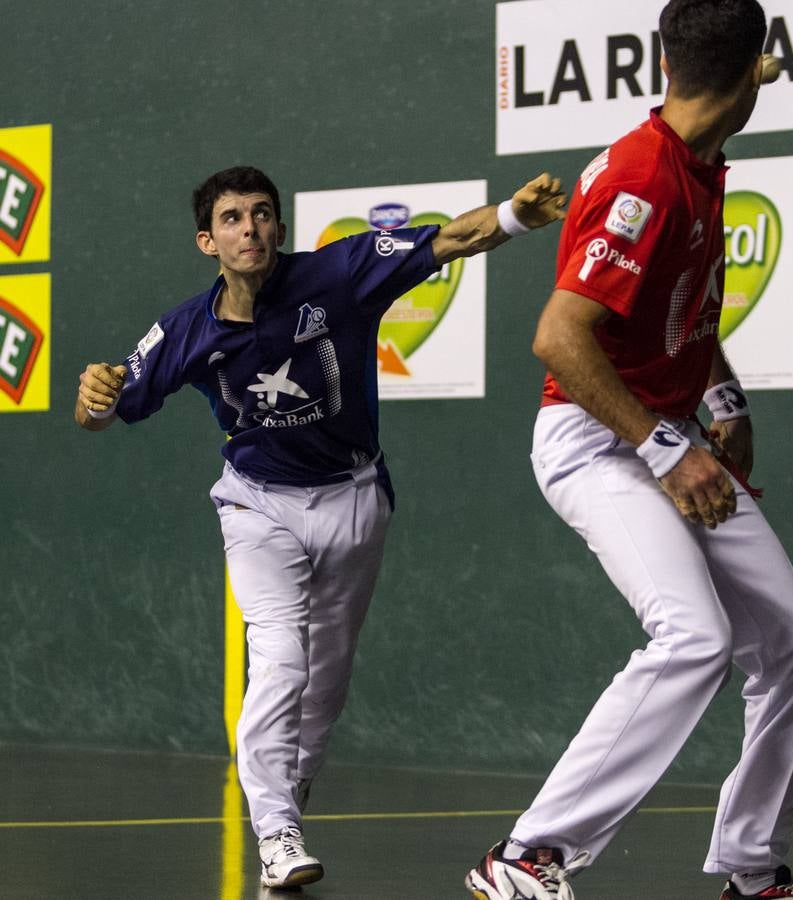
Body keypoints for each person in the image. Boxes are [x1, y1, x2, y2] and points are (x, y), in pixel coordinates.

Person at [74, 165, 566, 889]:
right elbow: (105, 408)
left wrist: (516, 216)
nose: (251, 229)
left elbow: (452, 239)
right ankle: (274, 831)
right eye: (234, 219)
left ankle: (289, 801)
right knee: (279, 660)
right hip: (258, 506)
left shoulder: (340, 274)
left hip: (355, 499)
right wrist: (95, 398)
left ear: (279, 226)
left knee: (325, 686)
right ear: (208, 240)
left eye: (263, 214)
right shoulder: (186, 329)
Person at [464, 2, 793, 899]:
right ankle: (527, 855)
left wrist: (720, 399)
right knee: (695, 636)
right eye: (765, 66)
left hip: (664, 433)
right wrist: (671, 449)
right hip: (596, 441)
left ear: (666, 63)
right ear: (753, 71)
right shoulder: (644, 179)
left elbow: (679, 315)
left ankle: (751, 868)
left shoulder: (695, 165)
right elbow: (559, 337)